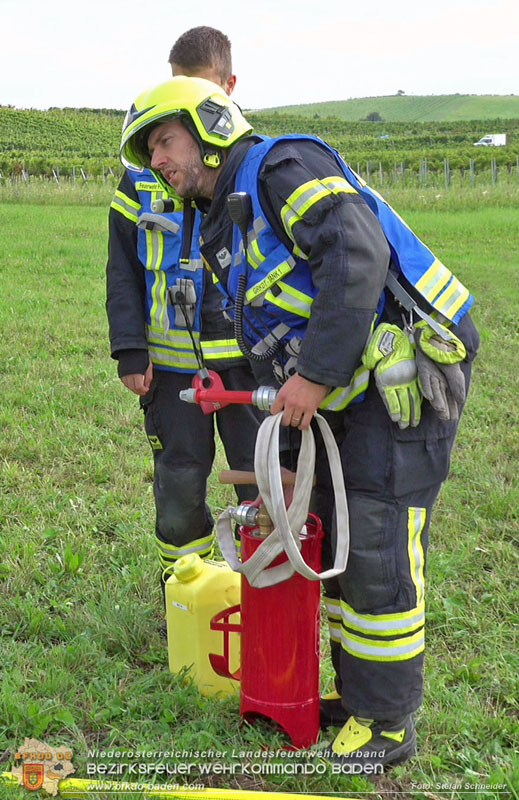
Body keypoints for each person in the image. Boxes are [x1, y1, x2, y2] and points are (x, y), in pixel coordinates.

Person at [119, 77, 479, 770]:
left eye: (165, 140)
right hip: (350, 388)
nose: (157, 160)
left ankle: (387, 723)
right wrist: (284, 456)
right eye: (149, 150)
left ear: (211, 123)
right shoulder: (224, 218)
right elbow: (265, 346)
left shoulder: (282, 168)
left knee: (377, 543)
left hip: (406, 375)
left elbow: (355, 256)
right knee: (339, 538)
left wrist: (313, 378)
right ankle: (357, 694)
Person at [106, 29, 264, 603]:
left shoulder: (256, 167)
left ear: (229, 88)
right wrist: (130, 348)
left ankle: (263, 597)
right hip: (172, 375)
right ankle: (186, 594)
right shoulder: (144, 172)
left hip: (248, 373)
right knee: (177, 486)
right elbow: (121, 268)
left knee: (261, 482)